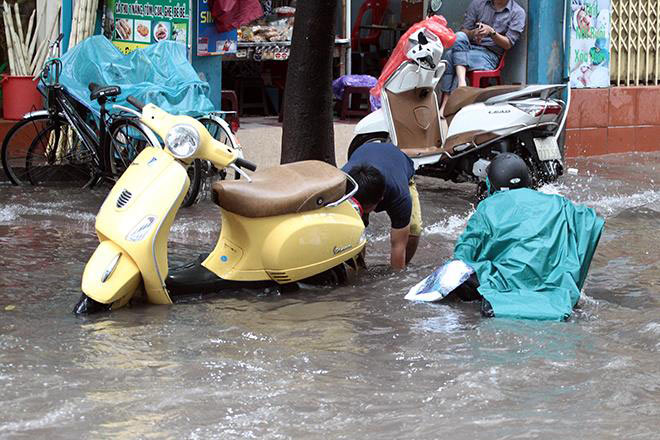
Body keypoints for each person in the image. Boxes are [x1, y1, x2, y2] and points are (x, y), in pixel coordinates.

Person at [448, 153, 605, 320]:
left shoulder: (487, 207)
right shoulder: (558, 202)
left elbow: (463, 255)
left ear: (491, 184)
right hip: (554, 283)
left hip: (505, 283)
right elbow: (591, 222)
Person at [342, 142, 422, 271]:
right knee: (355, 229)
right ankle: (360, 268)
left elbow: (398, 245)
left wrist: (397, 281)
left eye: (366, 208)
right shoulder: (343, 183)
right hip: (364, 154)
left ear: (381, 200)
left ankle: (405, 264)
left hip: (398, 165)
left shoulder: (400, 196)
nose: (363, 211)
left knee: (414, 228)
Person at [438, 0, 526, 114]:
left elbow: (508, 43)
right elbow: (464, 31)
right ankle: (461, 84)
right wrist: (474, 33)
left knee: (450, 56)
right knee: (459, 37)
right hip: (469, 48)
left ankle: (445, 105)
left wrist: (491, 32)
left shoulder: (517, 12)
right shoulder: (478, 4)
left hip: (490, 55)